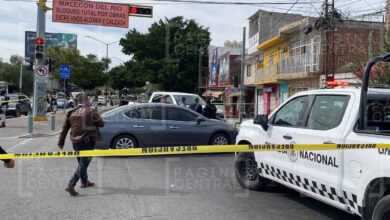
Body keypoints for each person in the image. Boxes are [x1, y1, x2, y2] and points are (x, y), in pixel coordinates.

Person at [58, 93, 105, 196]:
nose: (89, 102)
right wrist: (102, 122)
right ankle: (71, 184)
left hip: (75, 142)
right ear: (86, 101)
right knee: (83, 164)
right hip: (87, 142)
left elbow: (64, 129)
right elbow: (100, 124)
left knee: (82, 163)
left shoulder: (71, 112)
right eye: (88, 100)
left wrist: (61, 142)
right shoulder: (92, 111)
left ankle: (85, 182)